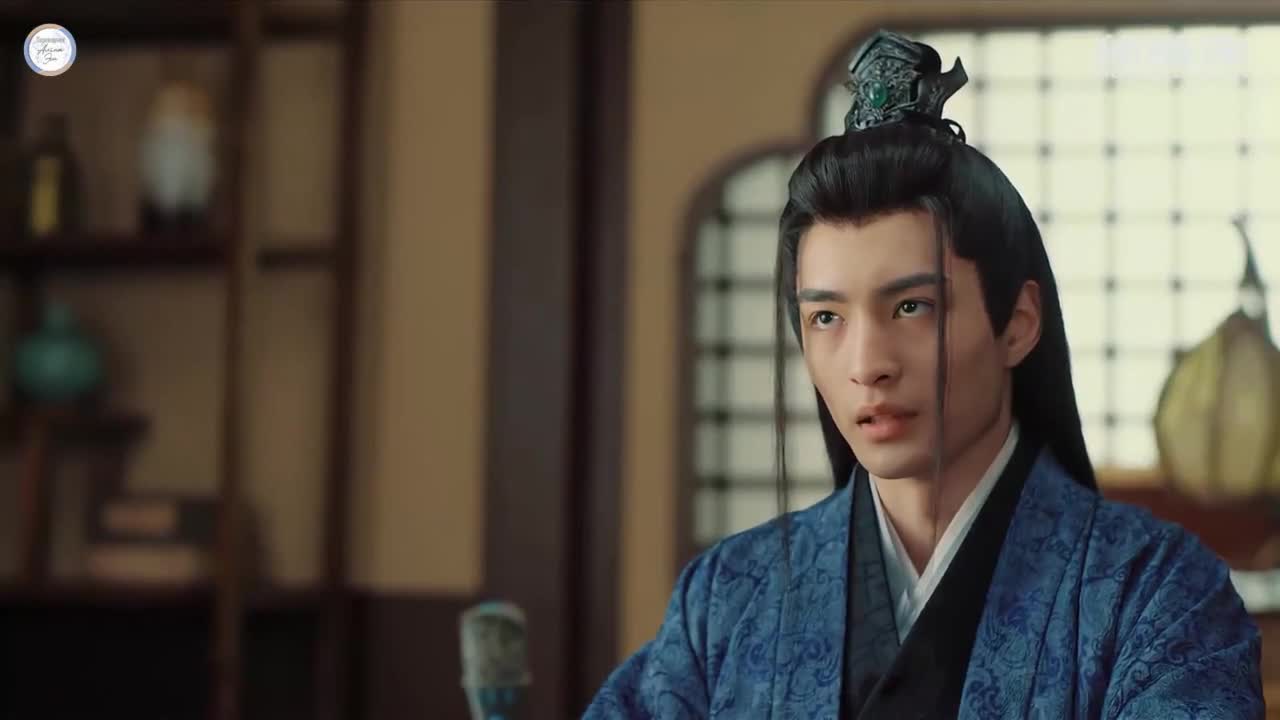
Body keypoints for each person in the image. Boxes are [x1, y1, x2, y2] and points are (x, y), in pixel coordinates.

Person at [584, 29, 1265, 720]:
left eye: (911, 307)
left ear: (1017, 322)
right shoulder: (726, 598)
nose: (867, 365)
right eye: (826, 317)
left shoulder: (1153, 592)